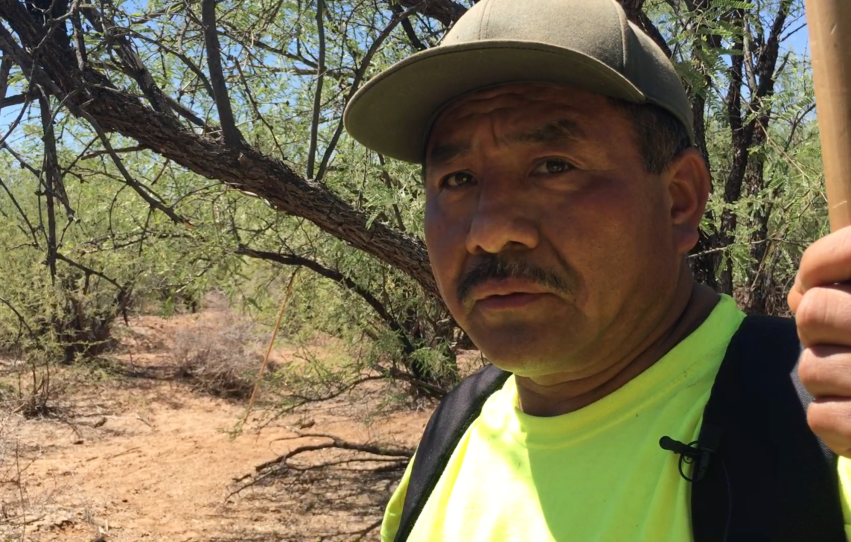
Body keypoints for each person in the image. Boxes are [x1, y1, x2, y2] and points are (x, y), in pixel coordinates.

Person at [342, 0, 851, 540]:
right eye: (458, 179)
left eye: (553, 167)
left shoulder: (822, 422)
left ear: (679, 200)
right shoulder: (453, 434)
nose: (488, 231)